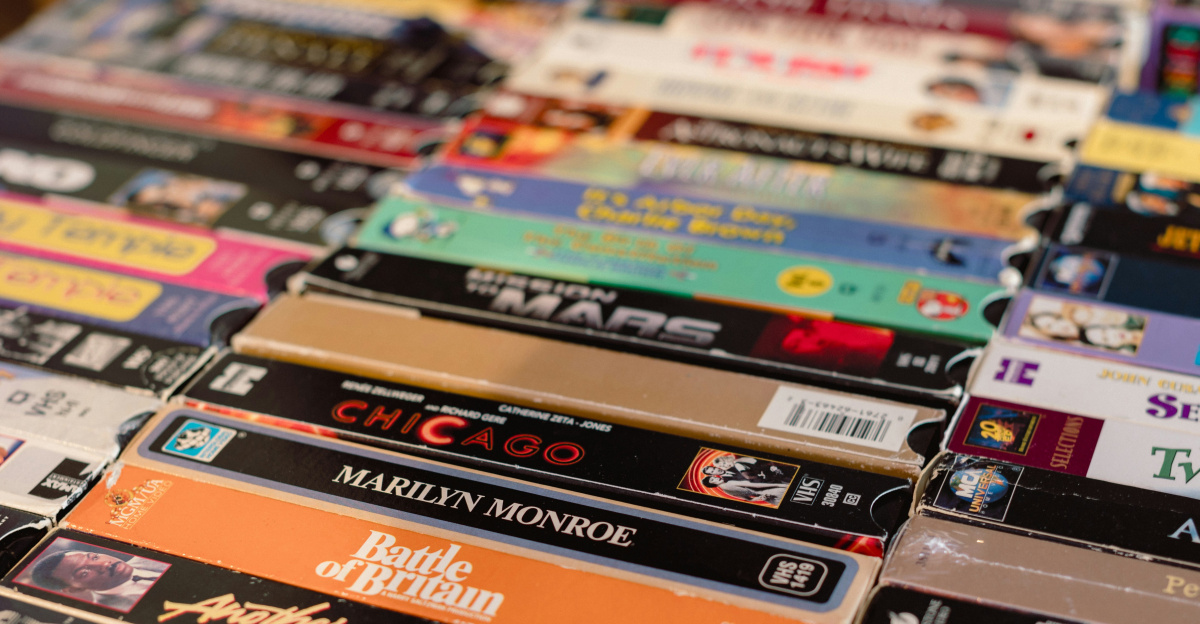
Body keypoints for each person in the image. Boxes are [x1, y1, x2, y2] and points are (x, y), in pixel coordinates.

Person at [27, 550, 167, 611]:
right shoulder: (116, 611)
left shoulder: (152, 555)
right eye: (85, 572)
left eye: (94, 557)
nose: (105, 564)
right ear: (75, 589)